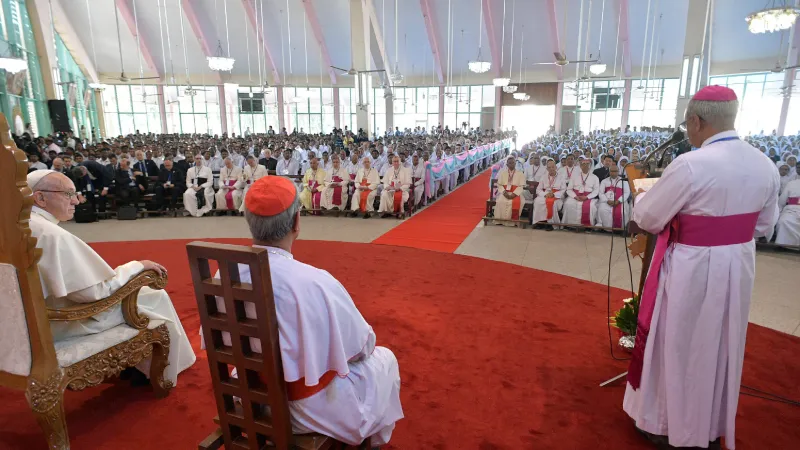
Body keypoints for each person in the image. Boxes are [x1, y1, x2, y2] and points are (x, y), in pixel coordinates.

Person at [623, 85, 780, 449]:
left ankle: (667, 423)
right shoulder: (764, 164)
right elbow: (763, 226)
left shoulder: (690, 164)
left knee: (679, 343)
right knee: (720, 343)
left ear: (695, 121)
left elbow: (647, 216)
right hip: (737, 265)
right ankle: (708, 424)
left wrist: (645, 195)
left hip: (692, 267)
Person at [198, 176, 402, 445]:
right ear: (296, 223)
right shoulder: (315, 282)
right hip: (305, 409)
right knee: (385, 359)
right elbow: (363, 346)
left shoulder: (224, 275)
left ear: (250, 223)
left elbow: (218, 343)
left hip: (249, 395)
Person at [25, 170, 195, 386]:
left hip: (28, 323)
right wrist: (137, 266)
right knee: (154, 295)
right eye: (68, 194)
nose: (76, 200)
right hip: (64, 323)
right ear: (40, 198)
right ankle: (160, 371)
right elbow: (92, 293)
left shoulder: (18, 225)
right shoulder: (51, 235)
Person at [562, 158, 600, 226]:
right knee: (568, 204)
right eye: (583, 164)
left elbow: (596, 191)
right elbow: (569, 189)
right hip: (575, 196)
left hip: (589, 197)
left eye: (587, 164)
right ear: (580, 166)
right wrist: (575, 196)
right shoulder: (574, 176)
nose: (585, 165)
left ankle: (587, 226)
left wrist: (587, 197)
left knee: (591, 206)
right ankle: (571, 225)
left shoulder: (595, 177)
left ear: (590, 165)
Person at [532, 160, 566, 227]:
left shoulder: (561, 177)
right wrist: (545, 194)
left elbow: (563, 189)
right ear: (547, 169)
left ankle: (550, 224)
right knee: (537, 201)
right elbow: (538, 189)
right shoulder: (543, 177)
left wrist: (554, 194)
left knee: (553, 203)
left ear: (556, 167)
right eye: (549, 167)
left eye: (553, 167)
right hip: (545, 194)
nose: (551, 169)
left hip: (557, 196)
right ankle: (540, 222)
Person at [493, 155, 526, 224]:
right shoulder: (503, 173)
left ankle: (512, 222)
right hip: (505, 193)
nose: (511, 164)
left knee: (515, 202)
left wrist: (514, 194)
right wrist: (504, 193)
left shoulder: (520, 174)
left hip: (516, 194)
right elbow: (499, 185)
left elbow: (521, 186)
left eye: (513, 163)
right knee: (500, 201)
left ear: (515, 163)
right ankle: (500, 221)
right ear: (507, 164)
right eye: (510, 163)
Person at [595, 164, 630, 228]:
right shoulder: (604, 181)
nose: (613, 173)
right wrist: (606, 200)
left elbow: (627, 192)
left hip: (619, 201)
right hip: (606, 201)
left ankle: (620, 228)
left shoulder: (623, 181)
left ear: (618, 171)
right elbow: (601, 193)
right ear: (609, 172)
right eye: (611, 171)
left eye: (615, 171)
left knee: (623, 212)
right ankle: (606, 228)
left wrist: (619, 201)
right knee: (602, 209)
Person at [775, 176, 800, 246]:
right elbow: (782, 200)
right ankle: (783, 243)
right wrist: (779, 212)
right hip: (791, 210)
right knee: (784, 221)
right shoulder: (791, 183)